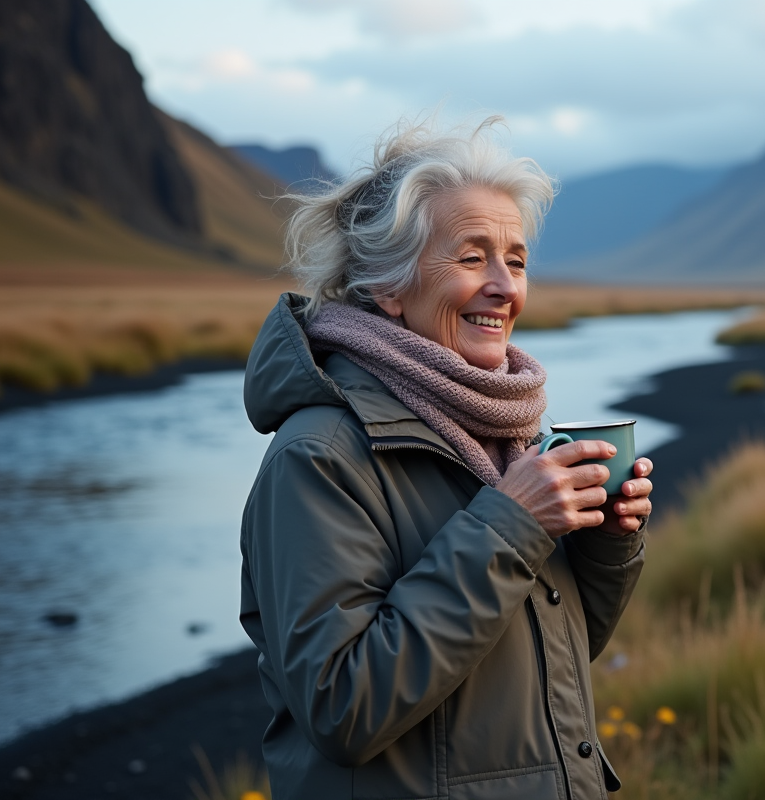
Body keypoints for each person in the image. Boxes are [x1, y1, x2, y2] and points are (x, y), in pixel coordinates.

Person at [238, 118, 652, 800]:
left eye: (515, 261)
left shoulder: (504, 432)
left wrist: (605, 544)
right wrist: (513, 526)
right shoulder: (319, 457)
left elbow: (547, 657)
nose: (504, 287)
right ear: (388, 286)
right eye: (470, 257)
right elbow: (343, 709)